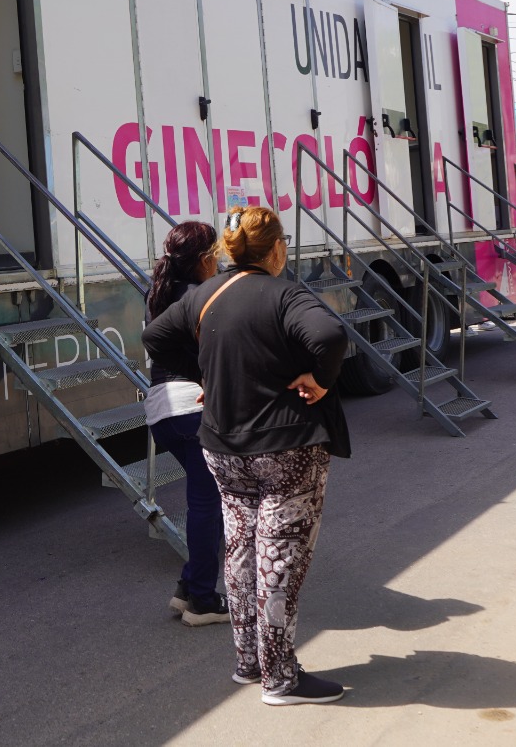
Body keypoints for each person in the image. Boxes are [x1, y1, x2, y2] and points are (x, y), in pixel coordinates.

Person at [142, 206, 350, 706]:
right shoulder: (286, 293)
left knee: (240, 551)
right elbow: (330, 336)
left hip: (223, 447)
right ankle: (281, 679)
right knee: (278, 558)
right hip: (286, 447)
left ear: (231, 252)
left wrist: (208, 377)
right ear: (276, 248)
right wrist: (319, 380)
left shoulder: (206, 295)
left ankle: (249, 662)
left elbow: (154, 337)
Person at [144, 220, 228, 625]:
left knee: (207, 501)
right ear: (203, 259)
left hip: (162, 411)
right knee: (209, 504)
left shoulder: (161, 291)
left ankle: (187, 589)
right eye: (216, 254)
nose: (220, 260)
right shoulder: (201, 295)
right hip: (191, 405)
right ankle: (202, 602)